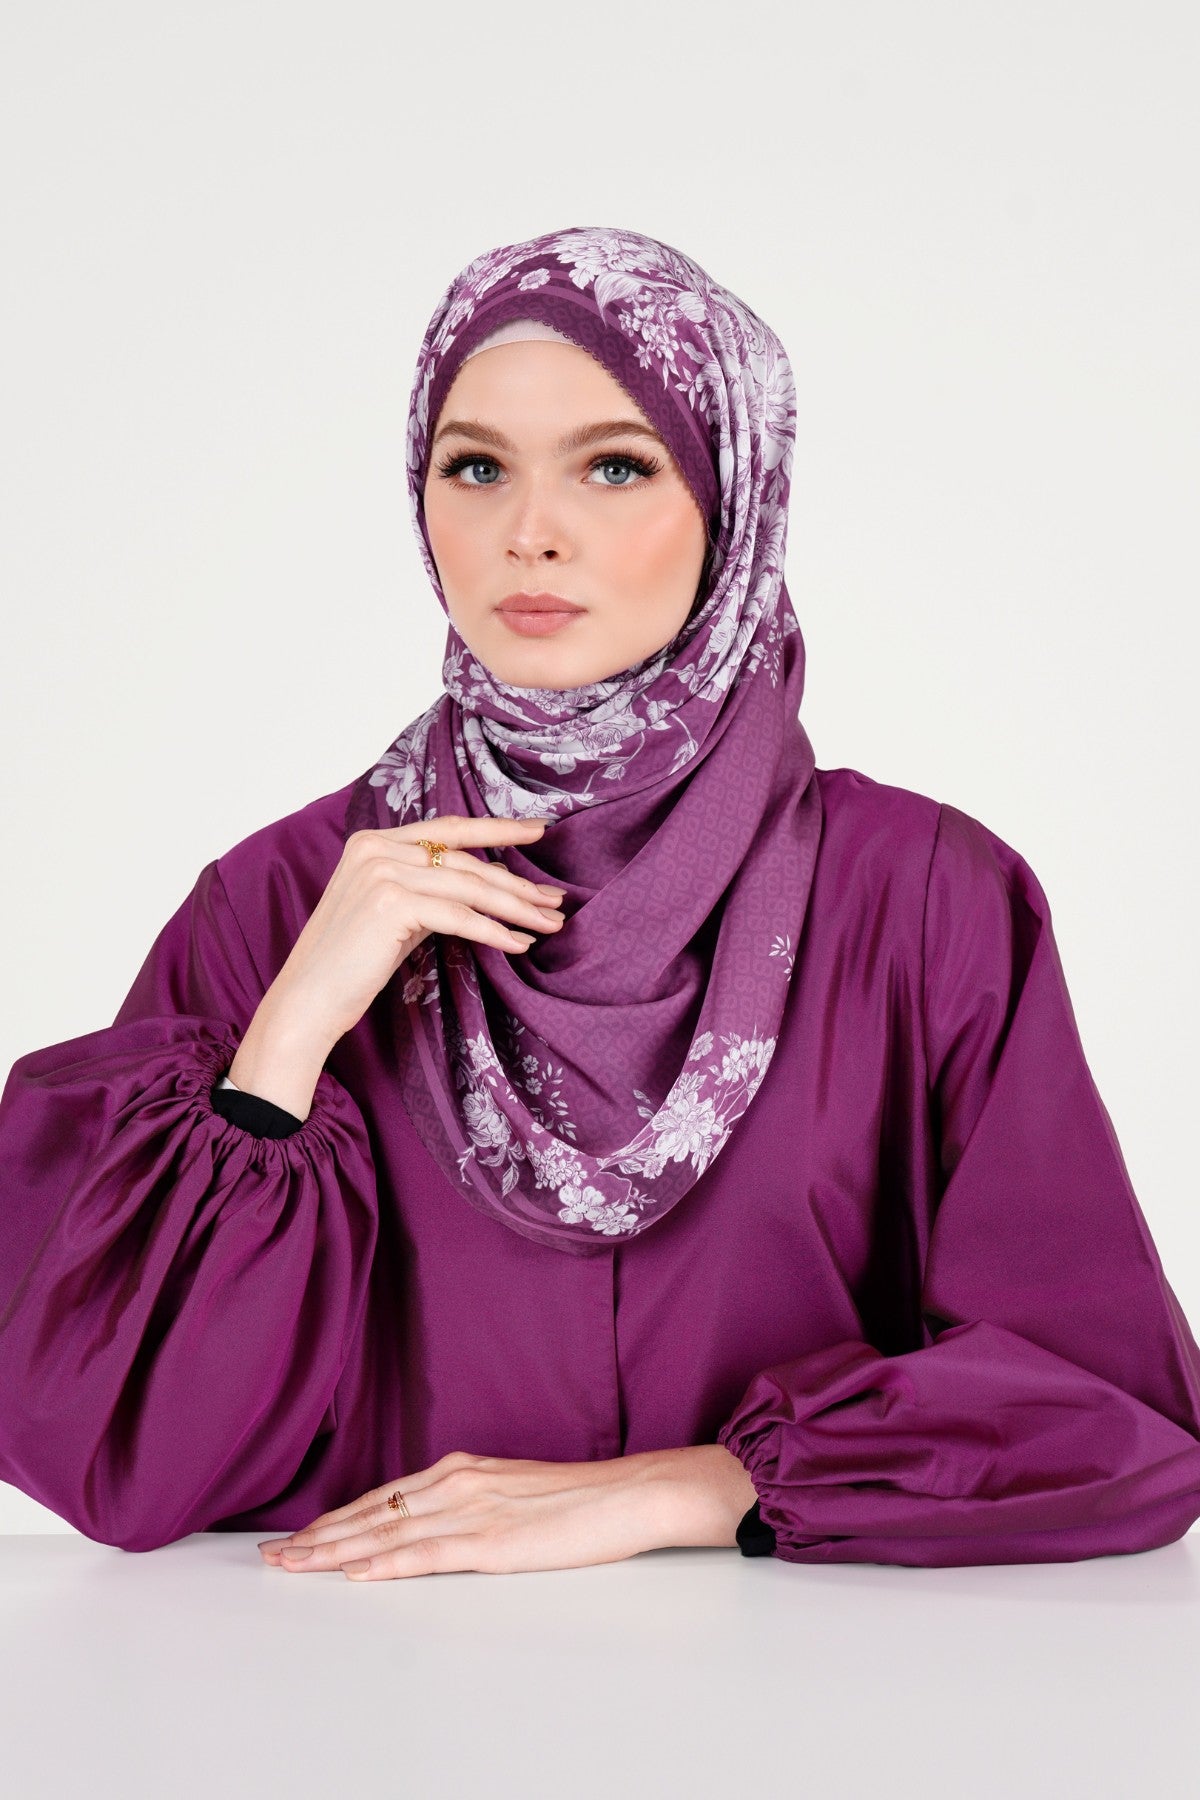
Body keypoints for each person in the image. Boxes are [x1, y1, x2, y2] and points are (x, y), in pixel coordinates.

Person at [2, 225, 1199, 1584]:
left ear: (731, 505)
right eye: (476, 468)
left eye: (615, 466)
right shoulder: (282, 902)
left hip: (808, 1686)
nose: (530, 533)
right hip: (356, 1677)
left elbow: (1116, 1416)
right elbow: (111, 1447)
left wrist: (687, 1489)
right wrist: (283, 1049)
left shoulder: (923, 901)